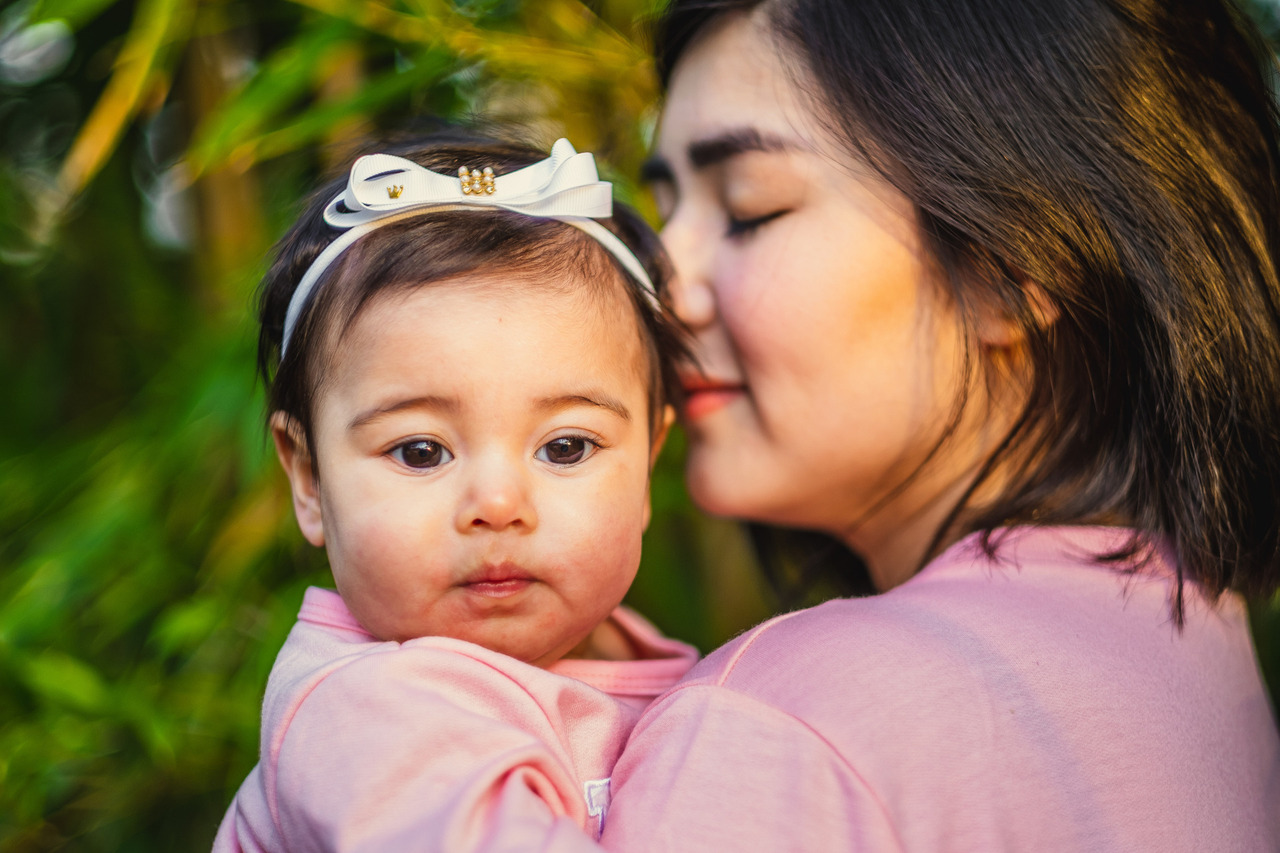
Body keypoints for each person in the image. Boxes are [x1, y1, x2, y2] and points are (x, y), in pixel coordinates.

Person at [586, 0, 1280, 849]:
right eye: (664, 217)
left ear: (1011, 268)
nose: (662, 288)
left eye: (749, 208)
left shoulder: (796, 722)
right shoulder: (1195, 648)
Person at [211, 133, 699, 852]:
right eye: (420, 451)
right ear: (308, 480)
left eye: (566, 446)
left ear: (648, 461)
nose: (498, 504)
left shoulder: (690, 677)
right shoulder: (366, 714)